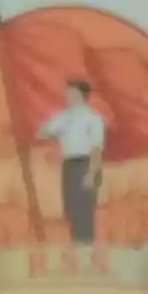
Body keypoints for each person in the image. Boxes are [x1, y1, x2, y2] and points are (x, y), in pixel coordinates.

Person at [37, 79, 106, 244]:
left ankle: (86, 247)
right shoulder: (63, 117)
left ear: (78, 94)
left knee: (85, 208)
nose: (66, 95)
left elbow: (96, 148)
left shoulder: (93, 118)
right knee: (71, 207)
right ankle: (77, 244)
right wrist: (56, 136)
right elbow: (42, 132)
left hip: (86, 164)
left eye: (69, 92)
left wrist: (92, 172)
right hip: (69, 165)